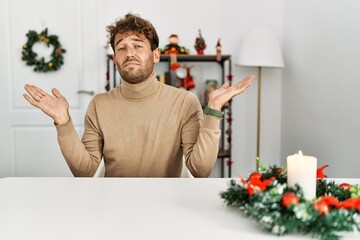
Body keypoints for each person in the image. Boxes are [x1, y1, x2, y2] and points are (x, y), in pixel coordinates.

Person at [23, 13, 255, 177]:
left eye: (138, 45)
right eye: (121, 47)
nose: (129, 53)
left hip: (169, 204)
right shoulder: (100, 104)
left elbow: (200, 170)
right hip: (114, 204)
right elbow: (85, 171)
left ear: (155, 55)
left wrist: (213, 110)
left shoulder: (184, 101)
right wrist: (63, 122)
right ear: (115, 59)